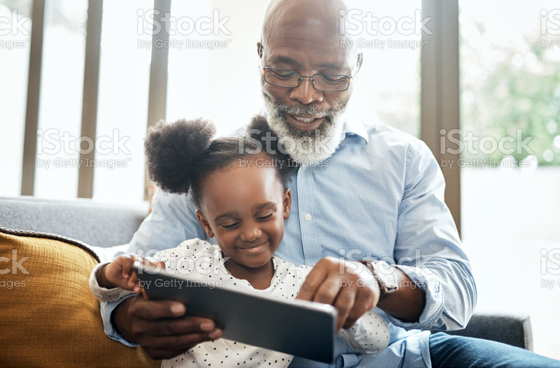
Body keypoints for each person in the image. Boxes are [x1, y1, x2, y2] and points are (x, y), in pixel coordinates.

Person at [100, 0, 560, 366]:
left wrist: (378, 279)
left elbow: (456, 289)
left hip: (404, 357)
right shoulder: (211, 170)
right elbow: (129, 270)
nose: (306, 94)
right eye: (284, 71)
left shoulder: (403, 159)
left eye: (332, 75)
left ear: (357, 66)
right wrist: (127, 316)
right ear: (260, 56)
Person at [90, 116, 391, 367]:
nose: (250, 234)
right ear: (206, 224)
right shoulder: (189, 260)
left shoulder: (302, 284)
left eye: (263, 215)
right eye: (231, 223)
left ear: (285, 205)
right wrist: (109, 273)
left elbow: (378, 341)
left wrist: (349, 312)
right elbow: (110, 289)